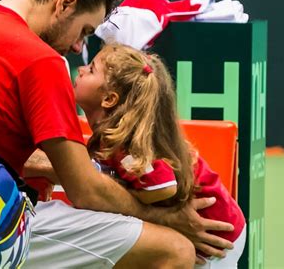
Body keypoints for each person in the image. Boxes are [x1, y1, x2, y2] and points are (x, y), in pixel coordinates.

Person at [0, 0, 233, 267]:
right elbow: (86, 192)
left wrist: (74, 167)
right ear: (65, 3)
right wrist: (167, 217)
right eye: (84, 31)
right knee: (173, 249)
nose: (79, 46)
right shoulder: (41, 60)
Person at [74, 43, 246, 268]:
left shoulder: (128, 144)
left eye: (92, 69)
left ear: (109, 99)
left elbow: (162, 186)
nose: (80, 70)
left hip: (217, 236)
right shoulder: (111, 135)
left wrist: (123, 193)